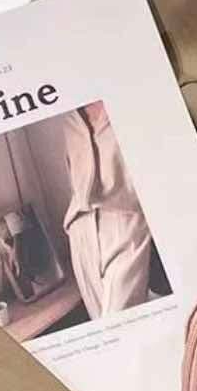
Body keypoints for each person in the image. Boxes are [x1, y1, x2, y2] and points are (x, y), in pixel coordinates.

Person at [62, 102, 154, 319]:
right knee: (102, 324)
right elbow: (72, 175)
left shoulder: (130, 105)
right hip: (80, 229)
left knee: (120, 321)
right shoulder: (69, 118)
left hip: (127, 220)